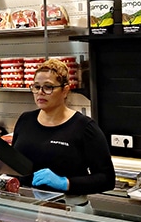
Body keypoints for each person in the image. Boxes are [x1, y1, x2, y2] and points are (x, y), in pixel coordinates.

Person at [11, 59, 115, 195]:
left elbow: (107, 179)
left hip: (68, 209)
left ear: (65, 90)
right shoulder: (25, 120)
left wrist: (66, 183)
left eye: (48, 87)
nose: (40, 92)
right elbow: (12, 165)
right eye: (36, 87)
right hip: (28, 206)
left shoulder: (84, 127)